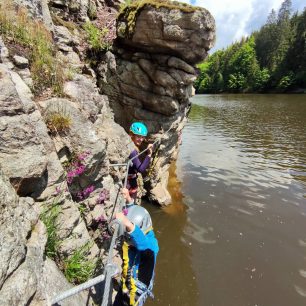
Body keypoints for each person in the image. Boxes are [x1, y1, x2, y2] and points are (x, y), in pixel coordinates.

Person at [113, 188, 159, 306]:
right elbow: (135, 215)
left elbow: (142, 244)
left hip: (134, 296)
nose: (127, 241)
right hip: (127, 283)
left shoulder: (150, 249)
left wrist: (128, 224)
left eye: (128, 238)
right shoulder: (146, 231)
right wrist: (128, 200)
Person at [127, 122, 153, 202]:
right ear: (131, 135)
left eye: (142, 137)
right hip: (129, 184)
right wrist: (149, 155)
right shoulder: (132, 151)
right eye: (138, 136)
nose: (141, 139)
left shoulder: (129, 145)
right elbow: (140, 169)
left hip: (130, 181)